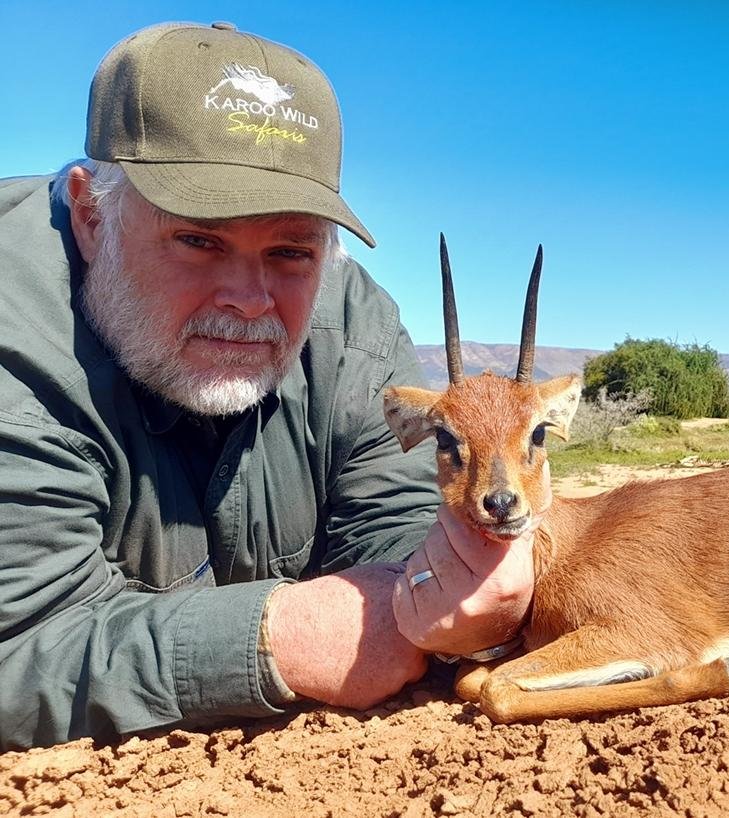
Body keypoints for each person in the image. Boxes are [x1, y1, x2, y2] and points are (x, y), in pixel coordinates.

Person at [0, 21, 534, 751]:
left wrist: (453, 580)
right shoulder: (14, 343)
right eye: (198, 240)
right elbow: (19, 644)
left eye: (290, 250)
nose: (250, 299)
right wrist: (270, 639)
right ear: (94, 216)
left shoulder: (349, 320)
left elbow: (395, 511)